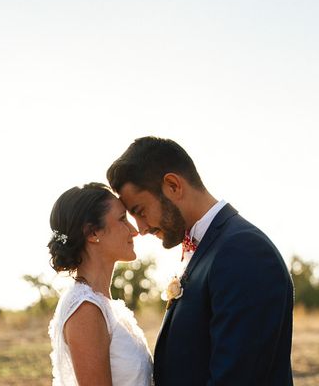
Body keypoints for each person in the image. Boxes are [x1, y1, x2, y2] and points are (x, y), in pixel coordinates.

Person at [107, 137, 294, 385]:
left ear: (173, 185)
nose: (140, 229)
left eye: (140, 211)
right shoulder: (210, 247)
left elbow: (236, 378)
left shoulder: (243, 251)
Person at [47, 182, 153, 386]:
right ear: (93, 233)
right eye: (123, 219)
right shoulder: (85, 309)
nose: (134, 230)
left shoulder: (104, 305)